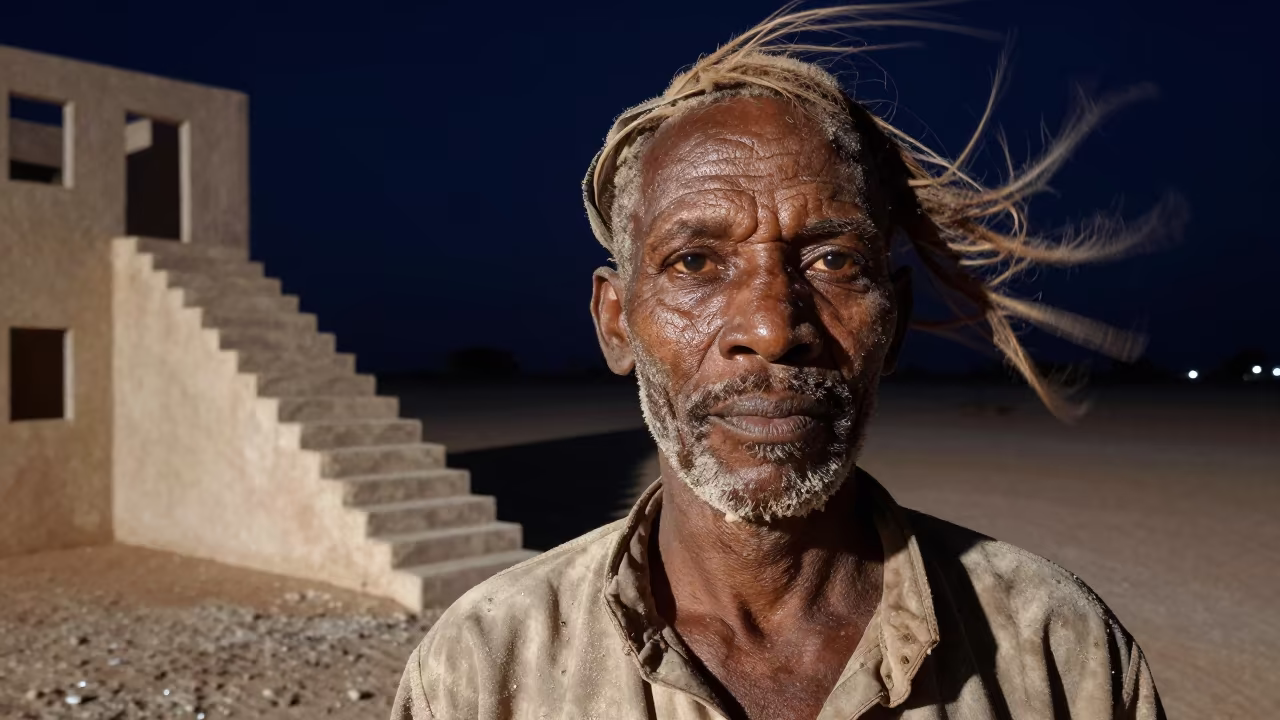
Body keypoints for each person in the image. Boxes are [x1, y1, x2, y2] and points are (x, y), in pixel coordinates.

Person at [393, 5, 1173, 718]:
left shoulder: (1058, 650)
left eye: (834, 260)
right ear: (616, 324)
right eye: (695, 262)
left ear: (892, 323)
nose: (772, 328)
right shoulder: (481, 669)